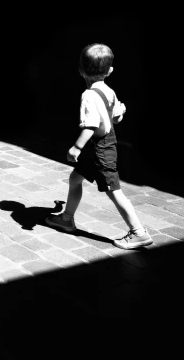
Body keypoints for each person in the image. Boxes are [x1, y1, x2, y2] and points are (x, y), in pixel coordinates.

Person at [44, 43, 153, 250]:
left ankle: (138, 232)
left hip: (101, 149)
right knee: (75, 178)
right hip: (99, 147)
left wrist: (76, 147)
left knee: (113, 190)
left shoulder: (88, 95)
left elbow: (91, 125)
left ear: (80, 70)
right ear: (110, 71)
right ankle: (67, 219)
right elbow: (117, 116)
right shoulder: (109, 92)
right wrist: (120, 111)